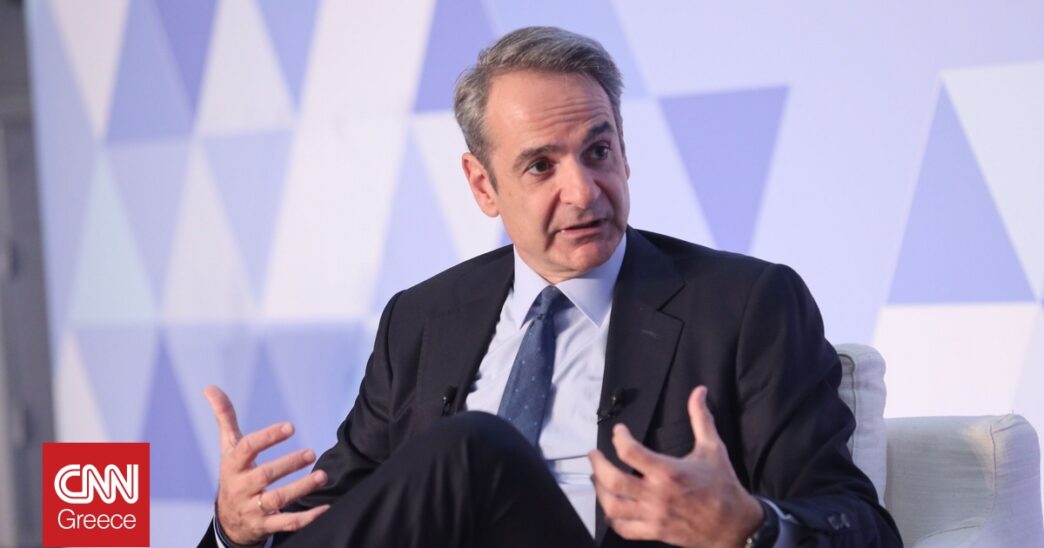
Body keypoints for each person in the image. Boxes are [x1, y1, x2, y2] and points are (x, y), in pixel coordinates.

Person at [199, 27, 901, 547]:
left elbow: (859, 524)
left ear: (624, 149)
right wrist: (235, 530)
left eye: (598, 151)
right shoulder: (423, 319)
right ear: (483, 185)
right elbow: (353, 518)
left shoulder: (745, 306)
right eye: (541, 166)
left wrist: (748, 525)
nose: (584, 190)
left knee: (473, 450)